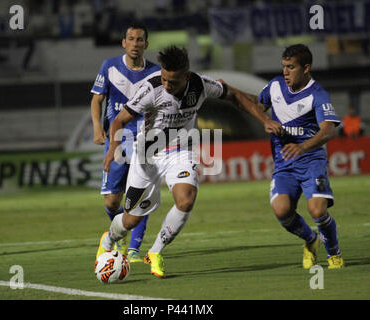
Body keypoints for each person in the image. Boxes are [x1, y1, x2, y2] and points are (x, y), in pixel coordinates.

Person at [96, 45, 282, 278]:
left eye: (172, 82)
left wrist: (264, 119)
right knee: (132, 219)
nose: (166, 84)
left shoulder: (201, 84)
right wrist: (113, 147)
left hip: (180, 151)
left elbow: (233, 95)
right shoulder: (150, 88)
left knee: (185, 201)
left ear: (186, 76)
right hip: (147, 154)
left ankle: (155, 252)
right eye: (164, 78)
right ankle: (110, 238)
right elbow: (119, 120)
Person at [257, 44, 344, 269]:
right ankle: (310, 240)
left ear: (306, 68)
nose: (286, 72)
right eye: (284, 67)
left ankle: (334, 254)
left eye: (291, 67)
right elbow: (258, 106)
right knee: (281, 210)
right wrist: (265, 121)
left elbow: (328, 130)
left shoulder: (317, 94)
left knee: (317, 210)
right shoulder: (275, 86)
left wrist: (303, 147)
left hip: (311, 160)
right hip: (284, 164)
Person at [90, 21, 160, 262]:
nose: (135, 43)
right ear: (124, 42)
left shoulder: (156, 73)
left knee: (140, 195)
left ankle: (134, 249)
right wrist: (98, 127)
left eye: (140, 39)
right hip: (117, 140)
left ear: (146, 44)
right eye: (131, 39)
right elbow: (97, 100)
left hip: (146, 140)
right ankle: (117, 236)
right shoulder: (109, 67)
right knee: (112, 201)